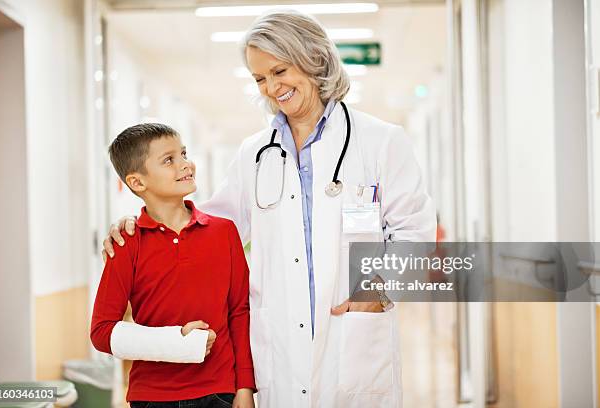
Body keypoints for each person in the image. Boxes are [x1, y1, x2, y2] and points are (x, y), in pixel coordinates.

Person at [103, 11, 436, 408]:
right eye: (260, 79)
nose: (271, 88)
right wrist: (142, 221)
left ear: (313, 58)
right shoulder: (254, 154)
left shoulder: (379, 141)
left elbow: (416, 234)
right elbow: (209, 225)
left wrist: (377, 291)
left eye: (279, 71)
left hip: (354, 338)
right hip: (280, 348)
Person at [91, 123, 255, 408]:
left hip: (219, 391)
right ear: (137, 182)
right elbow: (102, 332)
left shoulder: (224, 232)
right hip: (152, 396)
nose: (185, 164)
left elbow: (239, 311)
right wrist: (177, 342)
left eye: (183, 154)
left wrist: (245, 386)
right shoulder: (127, 242)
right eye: (169, 160)